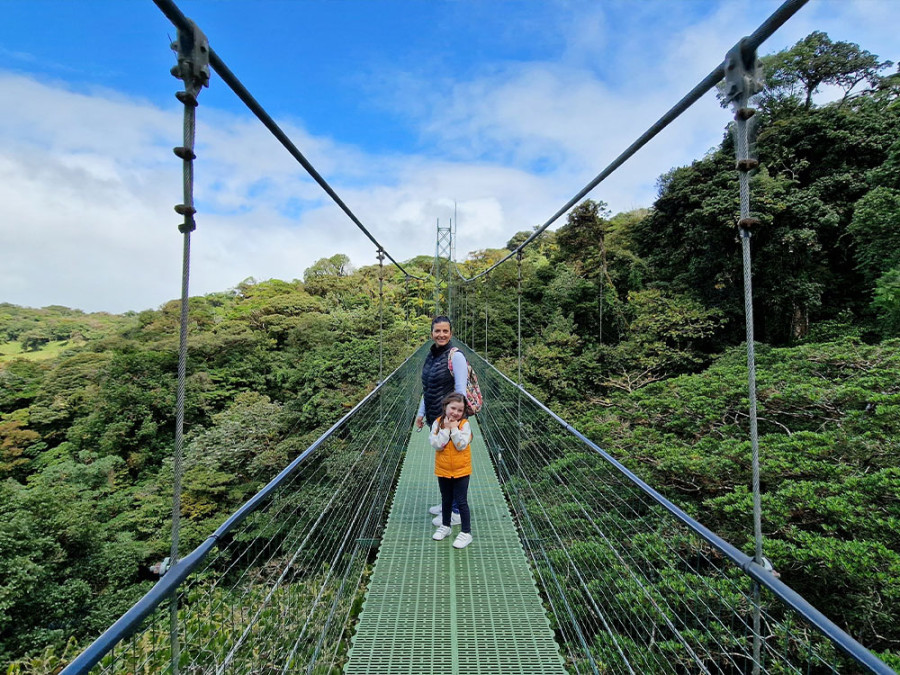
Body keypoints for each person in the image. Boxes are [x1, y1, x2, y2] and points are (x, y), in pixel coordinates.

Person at [416, 316, 468, 526]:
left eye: (445, 331)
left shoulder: (456, 357)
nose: (441, 335)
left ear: (451, 333)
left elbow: (461, 391)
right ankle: (447, 503)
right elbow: (427, 388)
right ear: (432, 333)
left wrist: (452, 421)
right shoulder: (431, 356)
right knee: (444, 462)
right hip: (435, 418)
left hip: (448, 420)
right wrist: (421, 413)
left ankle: (455, 511)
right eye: (437, 331)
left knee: (453, 464)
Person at [430, 393, 473, 549]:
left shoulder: (464, 425)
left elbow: (461, 445)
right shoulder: (437, 423)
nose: (455, 413)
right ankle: (446, 526)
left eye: (459, 410)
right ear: (445, 407)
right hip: (443, 469)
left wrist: (454, 429)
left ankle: (466, 533)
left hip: (461, 470)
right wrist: (446, 430)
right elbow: (436, 444)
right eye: (453, 408)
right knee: (446, 499)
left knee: (461, 501)